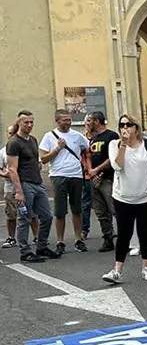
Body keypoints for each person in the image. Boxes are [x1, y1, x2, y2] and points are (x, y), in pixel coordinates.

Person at [102, 114, 147, 283]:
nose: (124, 128)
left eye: (128, 124)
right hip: (123, 196)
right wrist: (123, 145)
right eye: (121, 125)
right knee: (124, 232)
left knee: (145, 231)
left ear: (136, 127)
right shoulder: (114, 144)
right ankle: (117, 270)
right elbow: (117, 166)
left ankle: (146, 266)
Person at [7, 112, 57, 263]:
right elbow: (12, 169)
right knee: (25, 218)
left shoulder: (33, 140)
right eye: (26, 123)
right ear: (19, 123)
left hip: (37, 183)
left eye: (31, 122)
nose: (29, 125)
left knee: (47, 216)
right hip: (25, 184)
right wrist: (19, 191)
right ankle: (25, 251)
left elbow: (36, 160)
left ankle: (41, 246)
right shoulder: (14, 142)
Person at [38, 108, 90, 254]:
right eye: (64, 120)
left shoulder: (77, 135)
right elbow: (43, 159)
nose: (68, 122)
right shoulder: (49, 136)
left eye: (69, 119)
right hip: (58, 175)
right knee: (60, 211)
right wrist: (57, 149)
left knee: (77, 209)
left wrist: (86, 166)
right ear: (57, 121)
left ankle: (78, 239)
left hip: (76, 175)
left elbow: (87, 148)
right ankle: (60, 241)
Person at [84, 111, 119, 253]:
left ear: (97, 121)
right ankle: (108, 238)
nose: (87, 124)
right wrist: (91, 171)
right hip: (94, 179)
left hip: (108, 178)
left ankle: (127, 239)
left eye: (90, 121)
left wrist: (98, 170)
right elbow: (88, 155)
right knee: (100, 212)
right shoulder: (92, 138)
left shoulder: (111, 136)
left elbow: (113, 158)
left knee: (115, 209)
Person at [0, 127, 17, 249]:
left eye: (14, 133)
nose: (12, 135)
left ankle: (36, 237)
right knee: (11, 213)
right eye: (10, 133)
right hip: (10, 186)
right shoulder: (3, 152)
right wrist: (4, 174)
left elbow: (37, 164)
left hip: (26, 183)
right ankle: (11, 237)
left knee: (31, 213)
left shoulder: (25, 146)